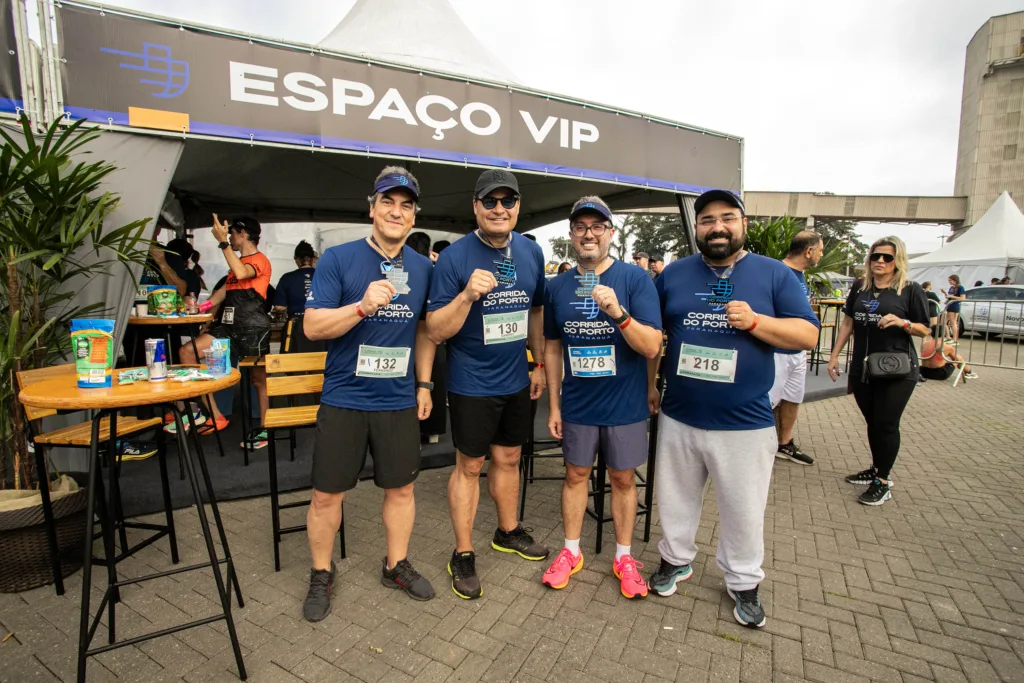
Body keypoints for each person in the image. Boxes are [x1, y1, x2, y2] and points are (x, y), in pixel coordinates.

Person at [647, 189, 819, 629]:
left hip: (745, 422)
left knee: (743, 508)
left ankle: (743, 581)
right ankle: (676, 559)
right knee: (675, 499)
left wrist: (757, 322)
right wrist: (651, 387)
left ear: (743, 223)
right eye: (707, 220)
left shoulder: (775, 275)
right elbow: (653, 335)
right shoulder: (674, 275)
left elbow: (807, 335)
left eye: (727, 218)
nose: (717, 227)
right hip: (680, 414)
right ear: (697, 228)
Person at [301, 166, 437, 619]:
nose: (396, 212)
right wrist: (360, 306)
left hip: (397, 400)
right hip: (344, 398)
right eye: (388, 202)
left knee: (401, 489)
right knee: (326, 495)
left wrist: (423, 383)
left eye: (405, 205)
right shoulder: (338, 259)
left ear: (413, 216)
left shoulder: (421, 267)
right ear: (372, 207)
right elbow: (312, 326)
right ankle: (322, 573)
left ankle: (395, 564)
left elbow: (423, 333)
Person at [427, 169, 548, 599]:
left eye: (508, 201)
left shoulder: (532, 253)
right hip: (471, 382)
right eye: (490, 202)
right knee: (471, 466)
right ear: (475, 207)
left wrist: (537, 363)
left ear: (518, 207)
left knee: (510, 457)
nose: (500, 209)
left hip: (516, 377)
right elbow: (436, 330)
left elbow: (535, 311)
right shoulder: (456, 257)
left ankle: (508, 530)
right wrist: (465, 296)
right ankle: (462, 552)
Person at [541, 196, 662, 598]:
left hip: (624, 402)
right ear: (572, 236)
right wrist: (555, 405)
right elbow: (553, 348)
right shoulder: (557, 285)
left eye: (597, 227)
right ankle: (571, 551)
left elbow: (651, 345)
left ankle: (624, 557)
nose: (588, 234)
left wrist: (619, 314)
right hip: (578, 403)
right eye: (580, 227)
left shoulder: (635, 280)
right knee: (575, 475)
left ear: (610, 233)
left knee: (622, 478)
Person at [827, 236, 930, 507]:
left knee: (886, 423)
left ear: (898, 261)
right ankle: (876, 468)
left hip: (896, 368)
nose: (880, 262)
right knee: (873, 422)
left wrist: (904, 322)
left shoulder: (909, 289)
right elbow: (848, 323)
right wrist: (834, 355)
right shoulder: (860, 287)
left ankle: (883, 481)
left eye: (887, 257)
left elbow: (925, 328)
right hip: (863, 367)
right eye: (876, 256)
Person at [178, 217, 272, 446]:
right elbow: (219, 295)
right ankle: (214, 416)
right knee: (187, 353)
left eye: (232, 234)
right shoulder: (234, 267)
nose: (230, 237)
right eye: (228, 235)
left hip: (253, 329)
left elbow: (242, 274)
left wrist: (223, 244)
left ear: (243, 234)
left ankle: (266, 428)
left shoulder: (259, 260)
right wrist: (199, 308)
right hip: (227, 328)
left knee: (259, 380)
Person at [770, 231, 823, 466]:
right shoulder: (777, 272)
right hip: (776, 351)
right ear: (808, 251)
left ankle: (785, 443)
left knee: (793, 398)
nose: (821, 255)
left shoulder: (801, 276)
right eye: (820, 251)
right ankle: (760, 444)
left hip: (797, 352)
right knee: (767, 401)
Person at [273, 240, 317, 318]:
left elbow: (279, 307)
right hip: (321, 323)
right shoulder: (326, 277)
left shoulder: (286, 278)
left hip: (296, 325)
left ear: (296, 259)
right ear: (313, 258)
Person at [944, 274, 965, 344]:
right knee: (943, 322)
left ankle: (955, 339)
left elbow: (962, 298)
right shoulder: (952, 288)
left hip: (954, 306)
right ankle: (948, 337)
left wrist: (952, 296)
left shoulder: (960, 287)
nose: (949, 282)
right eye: (948, 280)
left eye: (950, 280)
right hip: (949, 305)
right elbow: (949, 296)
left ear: (955, 280)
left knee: (953, 323)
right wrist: (945, 293)